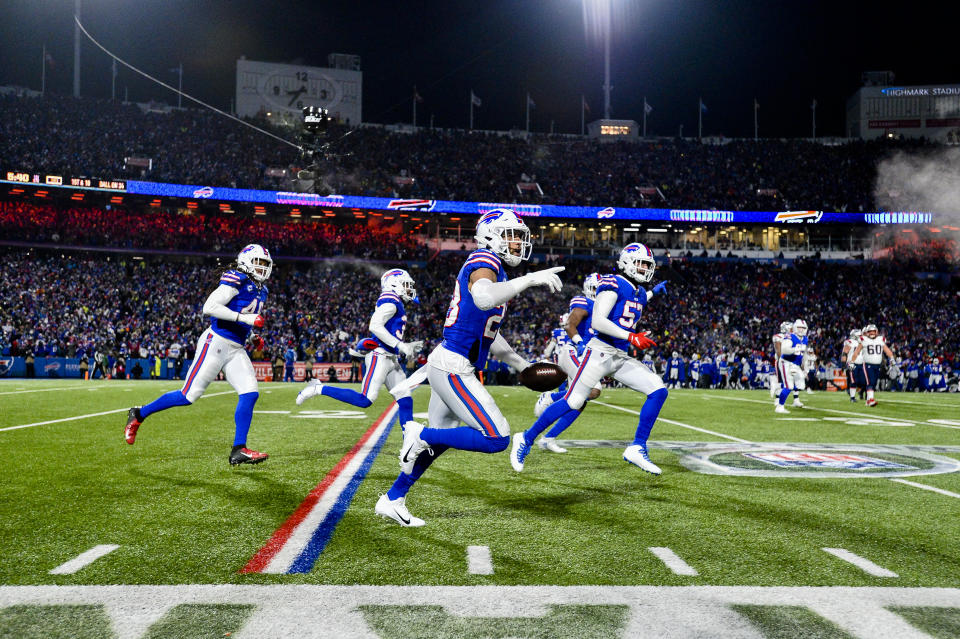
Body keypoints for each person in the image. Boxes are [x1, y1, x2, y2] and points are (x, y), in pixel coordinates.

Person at [374, 209, 563, 526]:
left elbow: (487, 329)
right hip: (453, 366)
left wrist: (518, 363)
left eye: (519, 236)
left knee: (437, 444)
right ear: (491, 237)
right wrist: (529, 280)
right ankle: (417, 432)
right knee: (497, 437)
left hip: (450, 362)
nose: (517, 243)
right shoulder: (485, 261)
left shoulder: (496, 269)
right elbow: (484, 298)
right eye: (511, 235)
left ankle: (393, 498)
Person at [512, 243, 667, 475]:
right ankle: (525, 438)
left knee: (658, 390)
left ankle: (637, 447)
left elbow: (639, 300)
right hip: (599, 352)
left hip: (619, 356)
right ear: (626, 262)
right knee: (574, 401)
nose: (645, 268)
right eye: (641, 263)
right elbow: (598, 321)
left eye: (648, 264)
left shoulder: (639, 292)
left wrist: (654, 293)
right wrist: (632, 336)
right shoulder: (613, 282)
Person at [124, 244, 273, 466]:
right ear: (246, 260)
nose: (262, 268)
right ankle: (139, 414)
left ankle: (238, 449)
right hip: (216, 343)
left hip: (236, 347)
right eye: (258, 262)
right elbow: (210, 307)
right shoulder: (237, 278)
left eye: (265, 265)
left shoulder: (262, 290)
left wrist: (251, 337)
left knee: (250, 392)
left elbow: (244, 314)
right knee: (188, 396)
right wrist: (245, 320)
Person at [296, 268, 423, 426]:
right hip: (380, 356)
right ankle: (318, 388)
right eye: (405, 284)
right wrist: (400, 345)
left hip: (391, 358)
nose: (409, 288)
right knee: (365, 400)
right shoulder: (391, 300)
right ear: (394, 284)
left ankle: (409, 445)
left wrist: (403, 347)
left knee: (405, 401)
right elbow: (375, 326)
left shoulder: (397, 302)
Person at [531, 273, 603, 454]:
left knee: (579, 401)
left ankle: (548, 438)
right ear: (588, 289)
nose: (598, 293)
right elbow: (571, 323)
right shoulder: (583, 301)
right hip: (573, 351)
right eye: (596, 289)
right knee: (593, 390)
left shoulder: (604, 309)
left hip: (588, 356)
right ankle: (550, 398)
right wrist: (579, 342)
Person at [849, 324, 895, 406]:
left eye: (873, 331)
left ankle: (868, 400)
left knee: (873, 383)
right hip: (867, 364)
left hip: (877, 365)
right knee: (870, 382)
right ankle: (870, 400)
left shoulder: (880, 339)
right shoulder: (864, 340)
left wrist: (891, 358)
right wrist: (852, 362)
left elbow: (886, 350)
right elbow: (856, 352)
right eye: (870, 331)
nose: (872, 333)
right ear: (867, 332)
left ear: (877, 331)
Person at [775, 319, 809, 413]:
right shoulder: (790, 336)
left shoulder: (805, 339)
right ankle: (780, 406)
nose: (801, 330)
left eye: (803, 328)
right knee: (788, 386)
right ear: (794, 328)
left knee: (801, 384)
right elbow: (784, 350)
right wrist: (795, 349)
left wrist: (805, 368)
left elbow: (804, 354)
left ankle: (794, 399)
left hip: (795, 364)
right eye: (799, 327)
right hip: (786, 362)